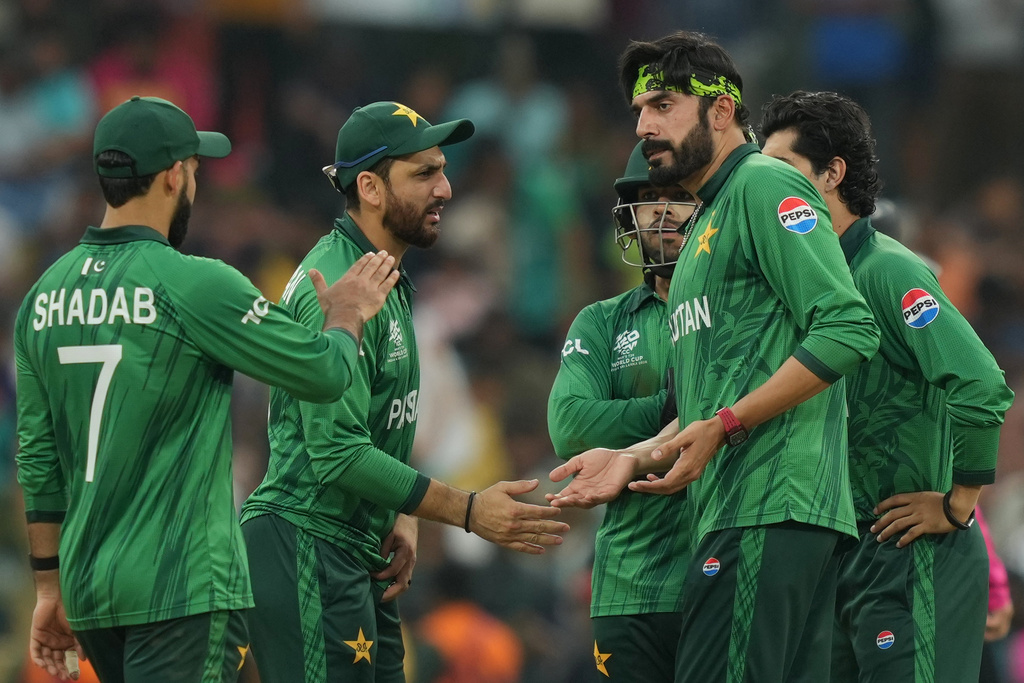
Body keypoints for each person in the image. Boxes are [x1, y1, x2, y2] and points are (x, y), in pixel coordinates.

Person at [14, 96, 400, 683]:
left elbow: (38, 460)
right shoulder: (194, 283)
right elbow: (324, 374)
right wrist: (347, 315)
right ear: (174, 176)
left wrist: (49, 587)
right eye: (195, 169)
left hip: (91, 591)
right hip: (181, 585)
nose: (194, 183)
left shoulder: (43, 296)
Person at [547, 31, 881, 682]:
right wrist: (634, 455)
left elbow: (848, 326)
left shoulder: (764, 185)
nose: (644, 126)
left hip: (769, 503)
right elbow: (717, 395)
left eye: (663, 106)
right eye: (639, 111)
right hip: (743, 510)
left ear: (721, 110)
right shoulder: (708, 219)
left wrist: (727, 424)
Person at [240, 101, 569, 683]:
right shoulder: (336, 286)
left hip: (356, 546)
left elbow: (374, 426)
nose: (445, 188)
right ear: (369, 187)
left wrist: (399, 510)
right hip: (307, 545)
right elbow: (337, 452)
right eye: (423, 174)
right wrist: (469, 510)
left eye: (442, 170)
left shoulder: (384, 276)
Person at [760, 89, 1014, 683]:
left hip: (911, 554)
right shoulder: (804, 284)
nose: (765, 188)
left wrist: (958, 504)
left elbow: (980, 382)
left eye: (783, 170)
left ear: (832, 174)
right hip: (841, 557)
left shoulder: (887, 271)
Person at [547, 141, 695, 682]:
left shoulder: (743, 309)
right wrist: (674, 405)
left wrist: (670, 412)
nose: (662, 210)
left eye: (679, 196)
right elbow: (569, 426)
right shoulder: (602, 321)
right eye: (649, 198)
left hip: (719, 566)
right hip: (629, 580)